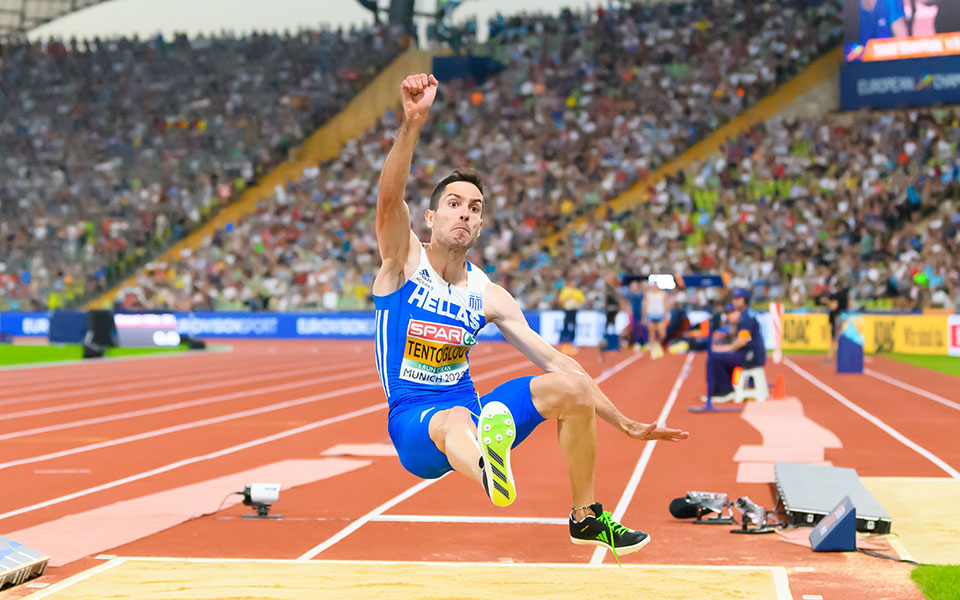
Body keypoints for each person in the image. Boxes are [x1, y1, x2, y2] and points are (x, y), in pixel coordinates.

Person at [372, 73, 689, 560]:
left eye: (474, 208)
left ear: (481, 223)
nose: (465, 214)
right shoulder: (403, 263)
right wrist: (412, 122)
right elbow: (390, 200)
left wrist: (623, 422)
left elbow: (559, 362)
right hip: (416, 423)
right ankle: (489, 470)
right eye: (453, 205)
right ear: (430, 218)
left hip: (478, 414)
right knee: (457, 419)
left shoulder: (490, 295)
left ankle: (586, 518)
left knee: (572, 387)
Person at [703, 288, 765, 404]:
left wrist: (724, 349)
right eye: (734, 299)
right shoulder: (744, 316)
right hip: (748, 354)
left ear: (745, 300)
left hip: (751, 356)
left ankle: (724, 391)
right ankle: (725, 389)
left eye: (738, 299)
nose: (735, 302)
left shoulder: (747, 317)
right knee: (719, 356)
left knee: (715, 358)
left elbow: (741, 341)